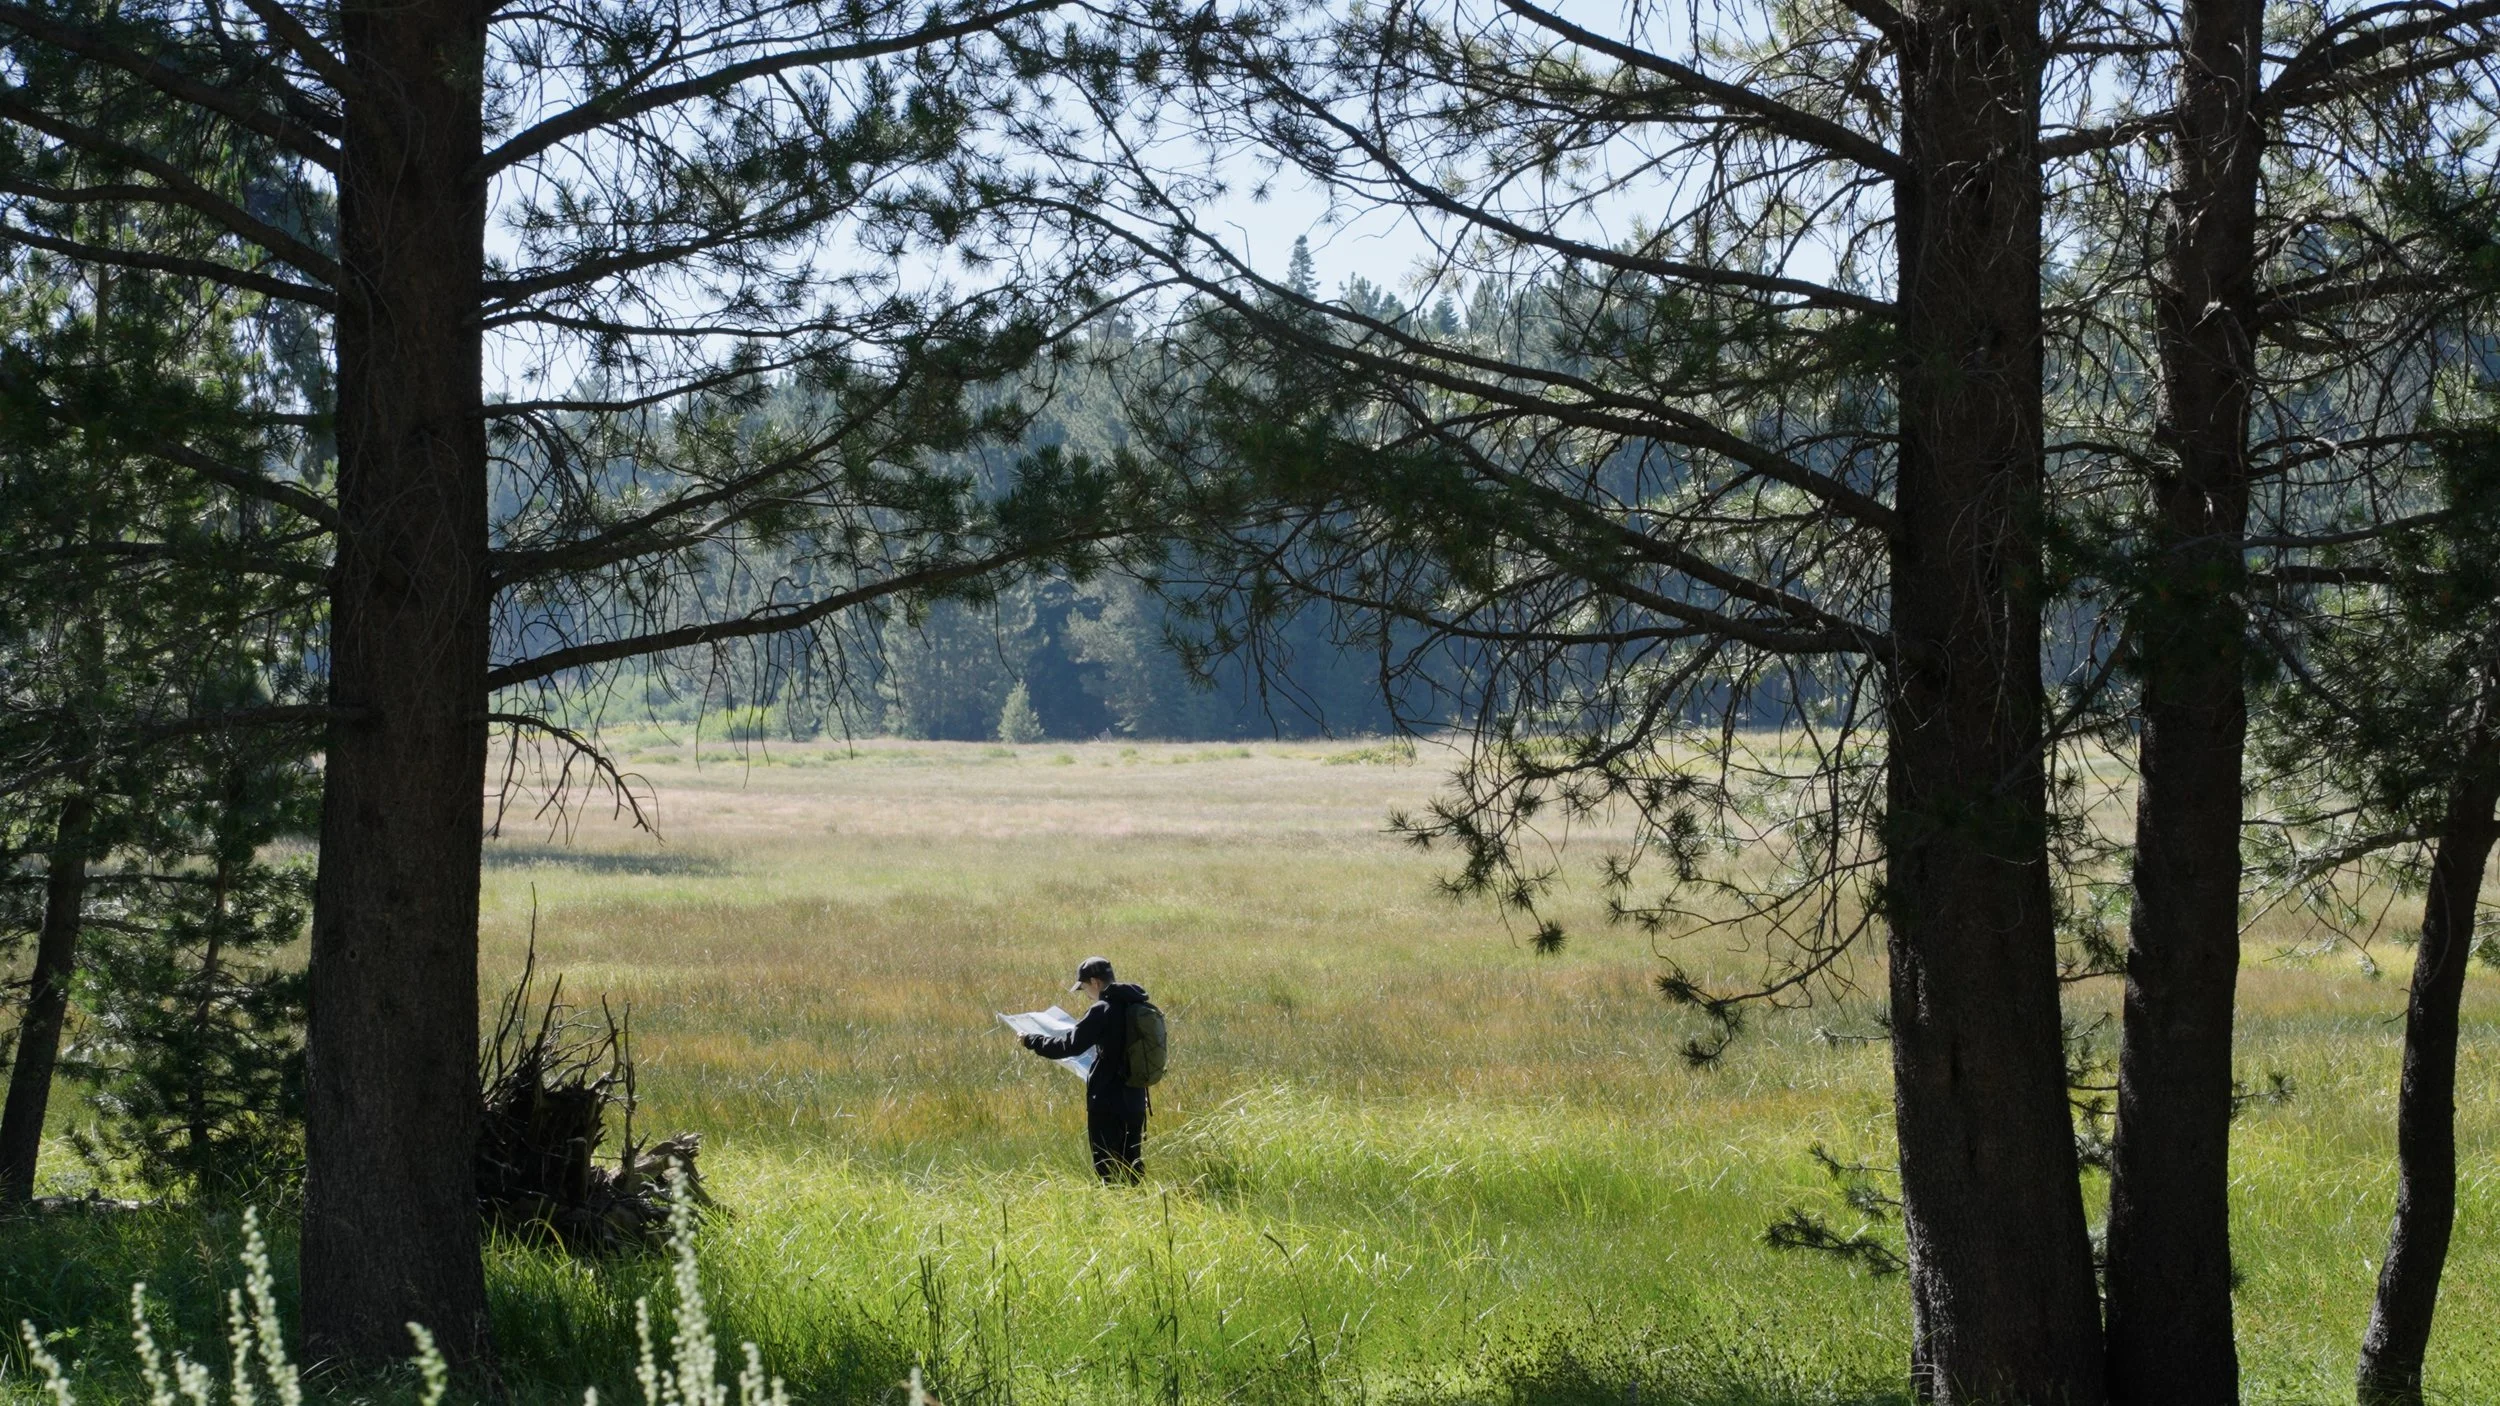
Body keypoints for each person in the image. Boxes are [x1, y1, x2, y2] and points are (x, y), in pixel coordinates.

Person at [1022, 956, 1151, 1182]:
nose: (1086, 994)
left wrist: (1032, 1041)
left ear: (1095, 982)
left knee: (1107, 1167)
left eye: (1083, 988)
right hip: (1136, 1097)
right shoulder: (1137, 1004)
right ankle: (1138, 1207)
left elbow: (1068, 1045)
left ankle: (1113, 1212)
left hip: (1107, 1100)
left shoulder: (1102, 1010)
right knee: (1132, 1163)